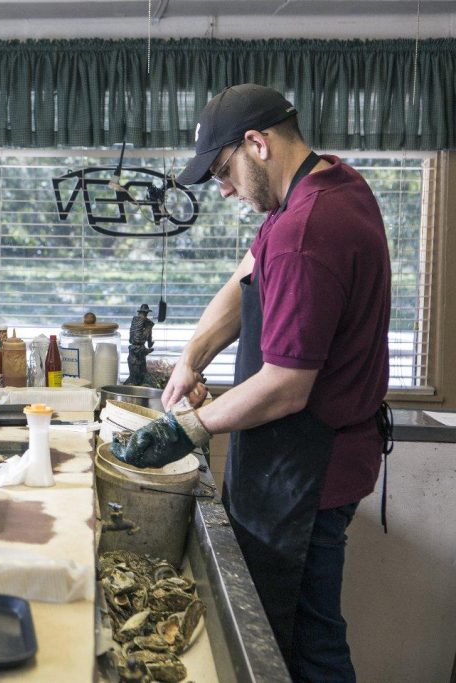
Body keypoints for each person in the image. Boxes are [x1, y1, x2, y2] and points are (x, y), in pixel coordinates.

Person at [111, 84, 390, 682]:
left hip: (307, 470)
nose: (226, 189)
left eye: (223, 171)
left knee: (305, 642)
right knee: (293, 629)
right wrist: (193, 356)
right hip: (303, 459)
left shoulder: (305, 231)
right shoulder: (330, 186)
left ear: (257, 143)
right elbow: (248, 276)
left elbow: (287, 386)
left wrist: (187, 427)